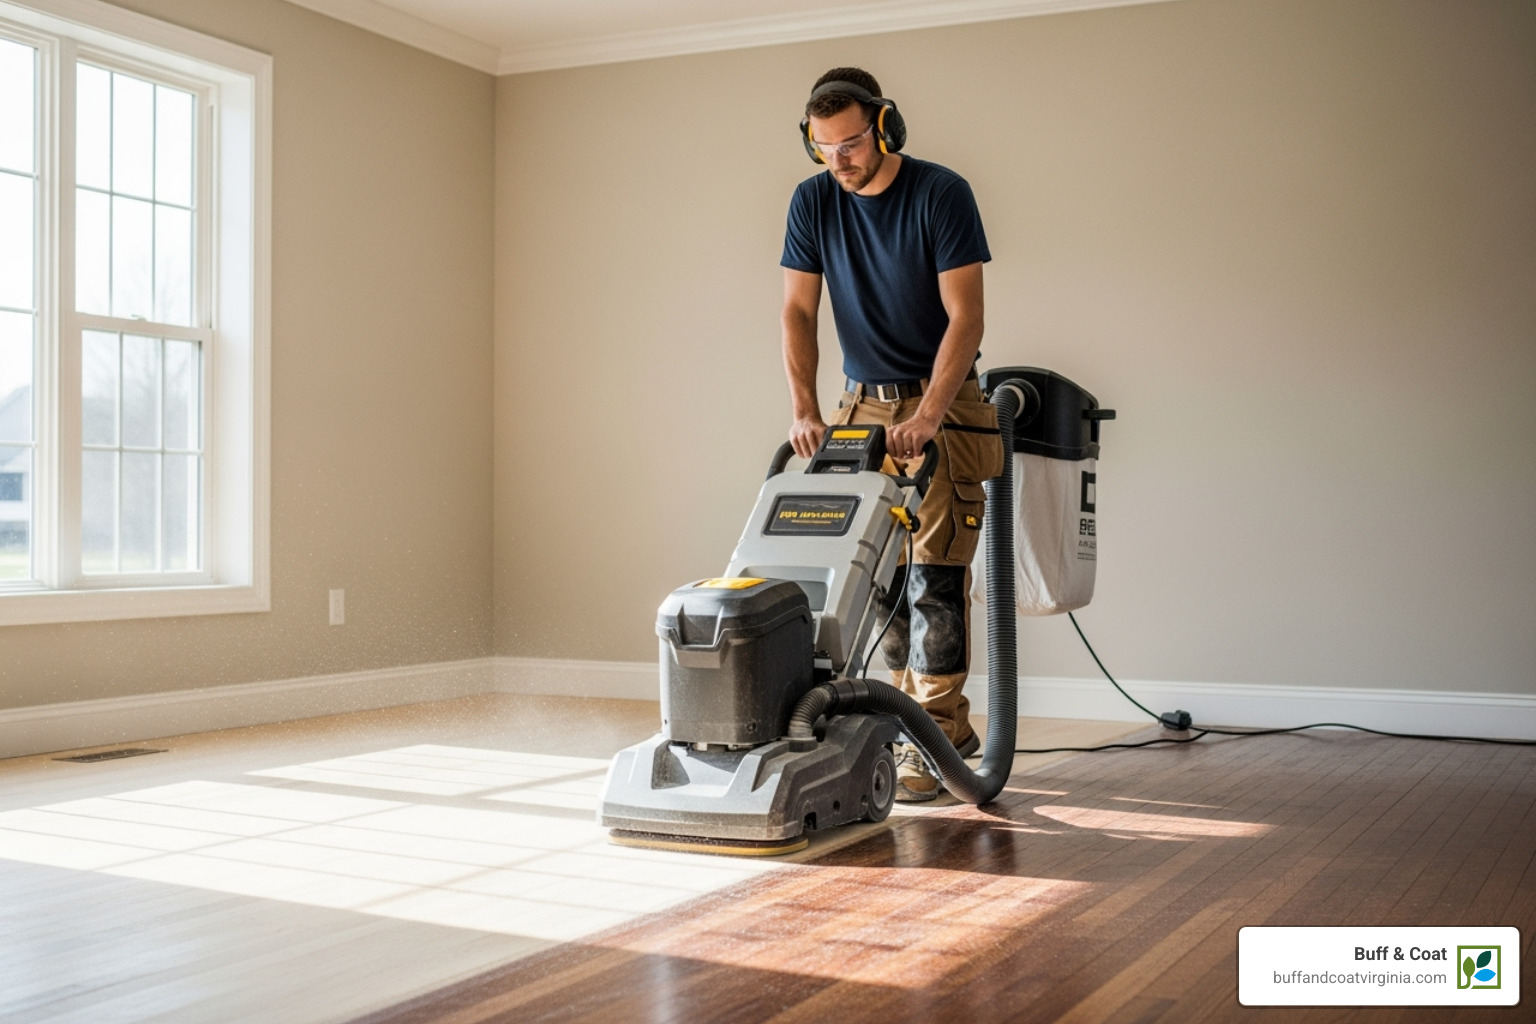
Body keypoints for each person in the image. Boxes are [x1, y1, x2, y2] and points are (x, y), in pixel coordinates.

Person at [780, 67, 1004, 801]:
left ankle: (935, 731)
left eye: (849, 144)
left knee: (934, 576)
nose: (838, 160)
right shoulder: (813, 201)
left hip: (941, 399)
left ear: (884, 127)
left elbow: (966, 315)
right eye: (823, 148)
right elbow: (798, 312)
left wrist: (931, 412)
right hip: (860, 408)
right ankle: (903, 717)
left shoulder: (941, 193)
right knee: (879, 579)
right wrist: (806, 409)